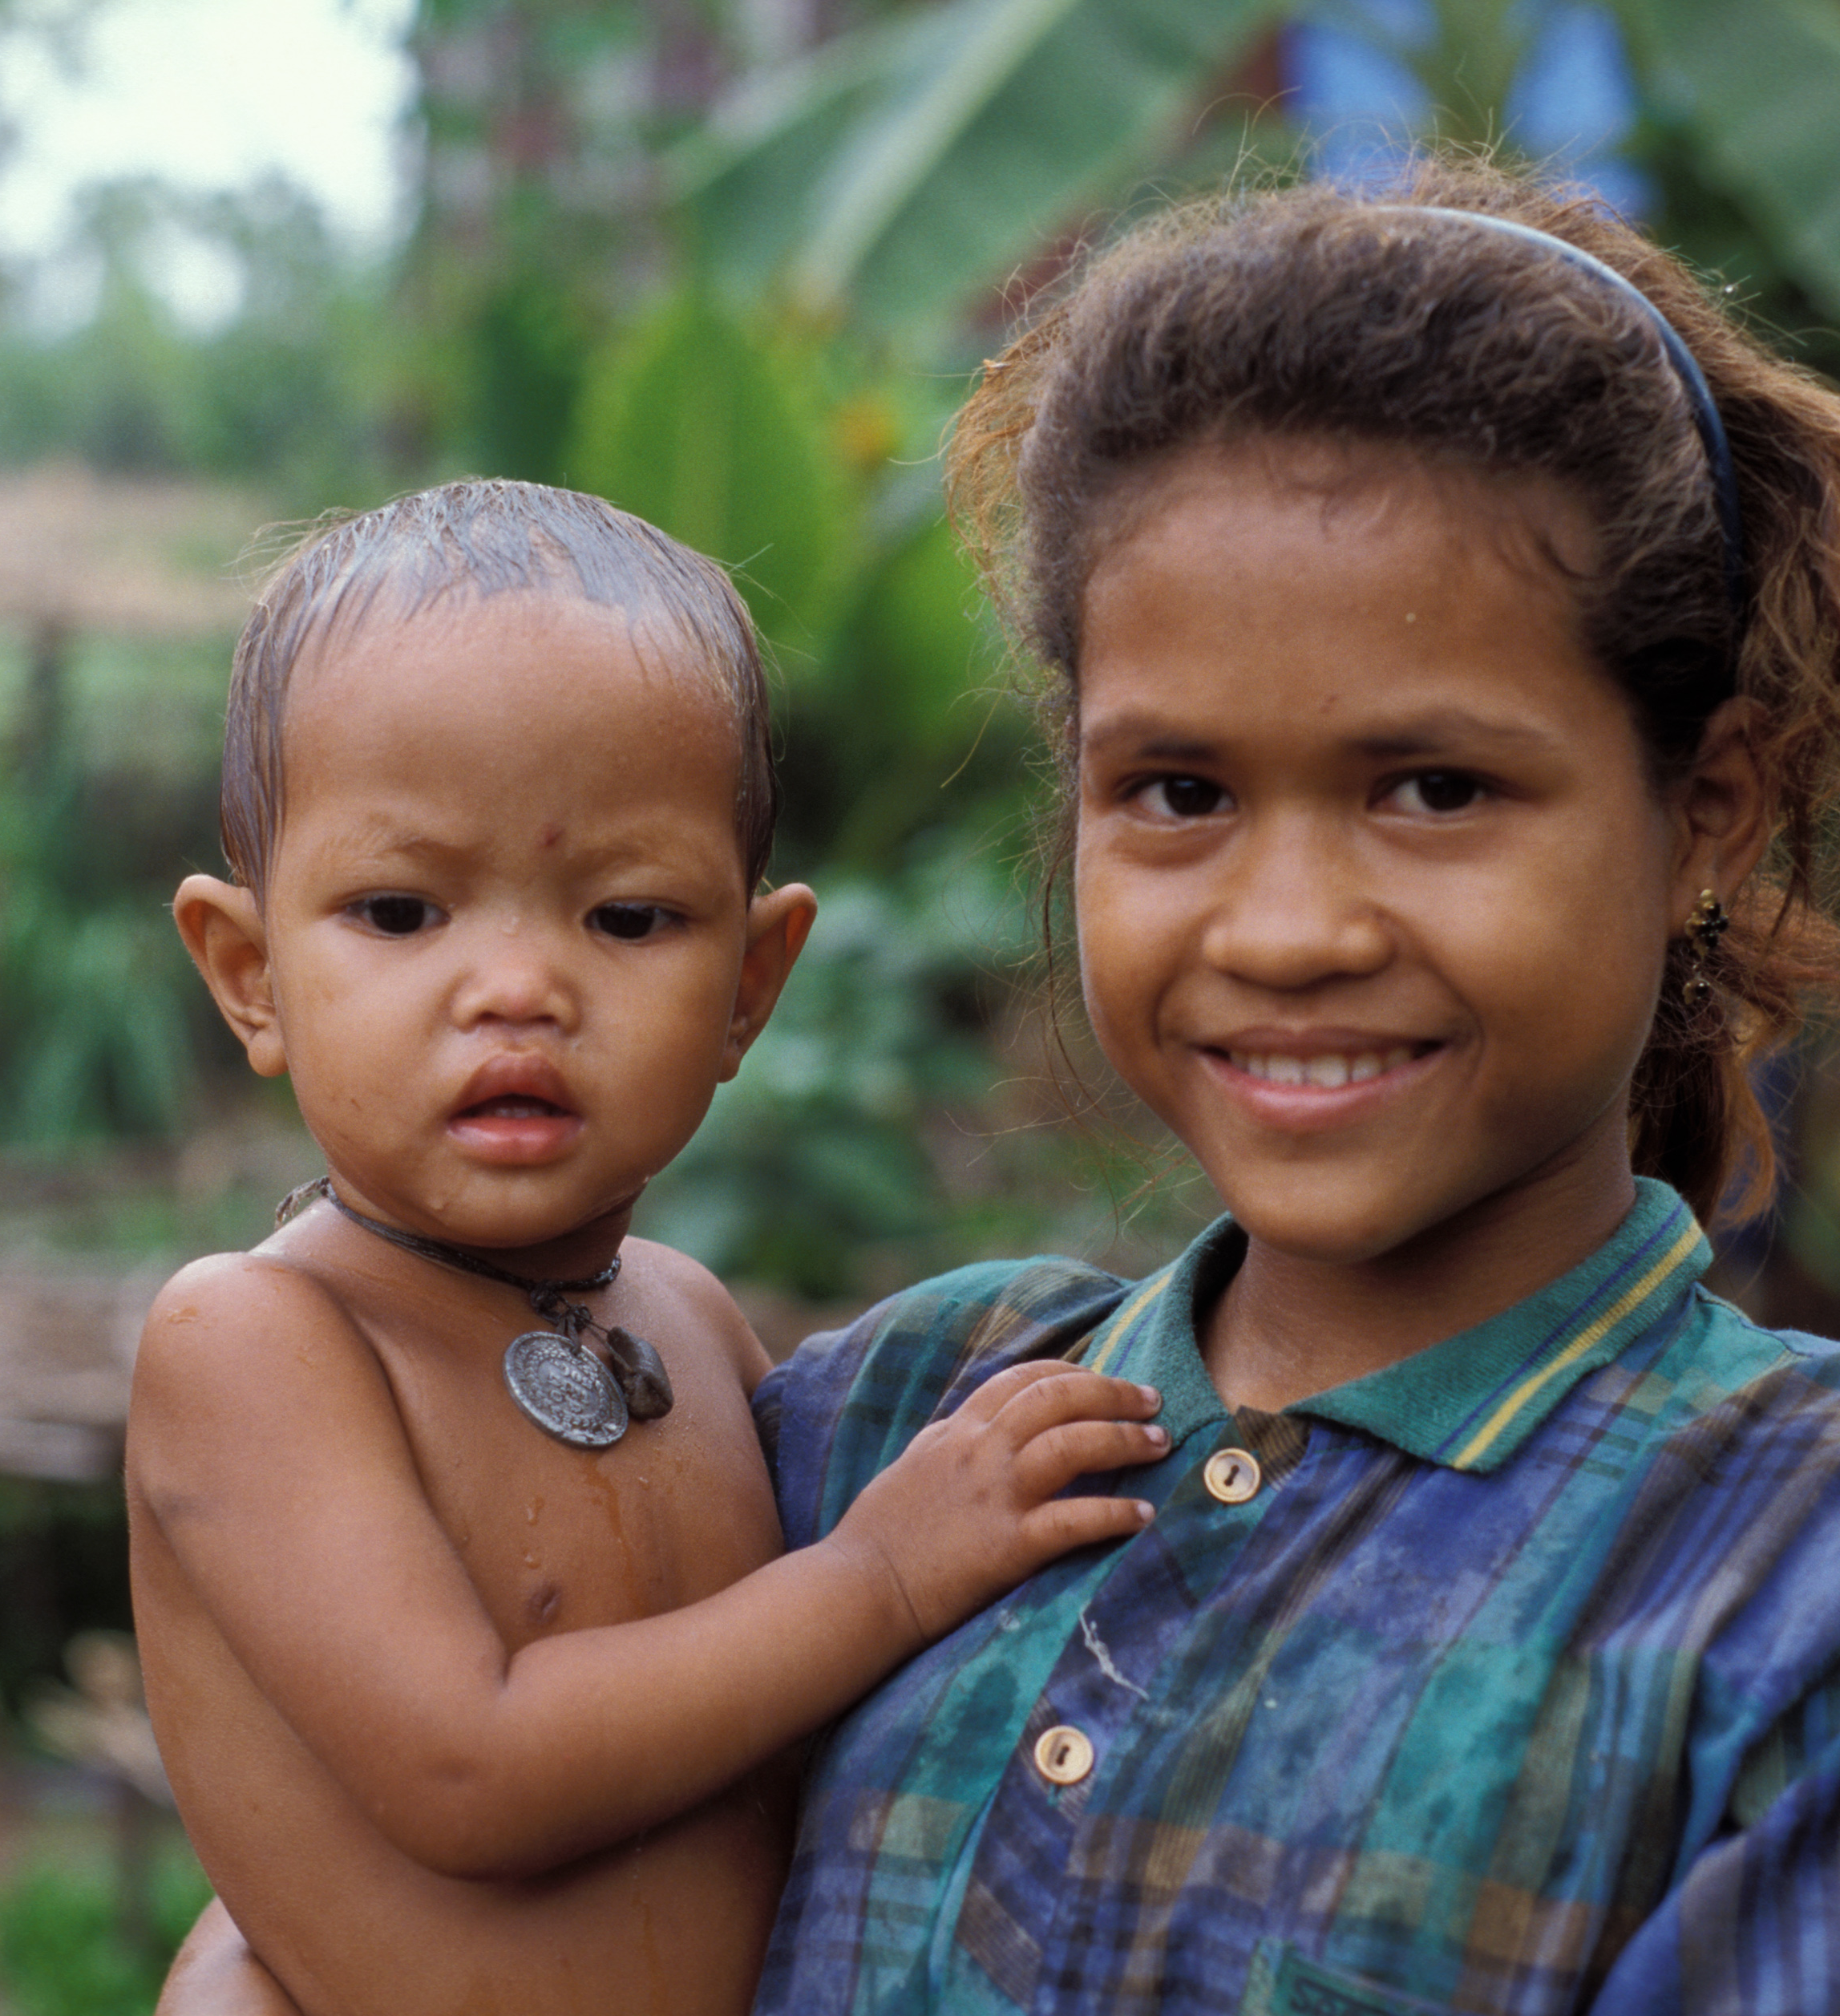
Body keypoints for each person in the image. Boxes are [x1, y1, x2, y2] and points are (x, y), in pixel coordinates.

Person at [172, 156, 1840, 2012]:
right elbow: (419, 1870)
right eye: (1179, 792)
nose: (1285, 929)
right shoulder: (896, 1426)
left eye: (1434, 788)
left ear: (1708, 810)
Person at [135, 478, 1173, 2016]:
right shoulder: (259, 1342)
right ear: (250, 972)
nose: (517, 987)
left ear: (750, 985)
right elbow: (470, 1767)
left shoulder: (688, 1317)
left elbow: (768, 1729)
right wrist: (882, 1573)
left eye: (626, 918)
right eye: (402, 909)